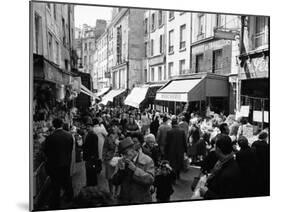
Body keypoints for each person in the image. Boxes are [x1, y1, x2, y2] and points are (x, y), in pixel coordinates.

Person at [111, 137, 155, 204]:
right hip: (124, 200)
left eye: (125, 153)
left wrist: (135, 169)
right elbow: (115, 182)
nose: (124, 156)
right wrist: (120, 171)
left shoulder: (147, 160)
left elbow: (150, 180)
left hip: (141, 200)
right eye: (122, 154)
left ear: (132, 150)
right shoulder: (122, 161)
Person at [44, 118, 74, 209]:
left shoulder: (50, 137)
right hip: (66, 163)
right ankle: (70, 198)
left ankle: (56, 203)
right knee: (67, 181)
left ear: (53, 125)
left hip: (55, 164)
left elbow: (46, 151)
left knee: (56, 184)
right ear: (62, 124)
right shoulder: (69, 135)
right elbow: (70, 149)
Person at [199, 134, 241, 199]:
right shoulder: (223, 162)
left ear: (218, 150)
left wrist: (206, 193)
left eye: (215, 146)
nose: (213, 148)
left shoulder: (228, 173)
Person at [103, 120, 121, 195]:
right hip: (110, 158)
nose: (114, 128)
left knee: (118, 176)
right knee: (110, 177)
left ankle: (116, 193)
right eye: (112, 126)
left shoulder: (120, 136)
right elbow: (105, 148)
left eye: (115, 126)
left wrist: (119, 144)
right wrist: (104, 158)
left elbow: (124, 147)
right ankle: (111, 192)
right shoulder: (108, 137)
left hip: (119, 158)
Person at [251, 131, 269, 196]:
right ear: (265, 138)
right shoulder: (267, 146)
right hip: (264, 165)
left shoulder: (254, 143)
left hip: (255, 165)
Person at [83, 118, 100, 187]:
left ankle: (92, 185)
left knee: (92, 172)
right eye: (87, 127)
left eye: (89, 127)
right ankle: (89, 184)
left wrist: (93, 157)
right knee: (89, 172)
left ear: (92, 127)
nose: (87, 128)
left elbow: (95, 148)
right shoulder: (89, 134)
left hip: (91, 158)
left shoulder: (93, 135)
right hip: (88, 157)